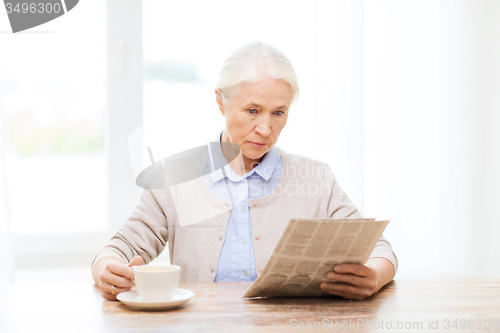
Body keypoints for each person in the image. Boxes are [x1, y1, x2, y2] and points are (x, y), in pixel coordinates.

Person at [92, 41, 397, 301]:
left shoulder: (314, 178)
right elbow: (119, 249)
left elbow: (378, 248)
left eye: (278, 113)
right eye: (252, 110)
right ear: (220, 102)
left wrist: (375, 274)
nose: (265, 129)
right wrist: (107, 269)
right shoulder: (174, 177)